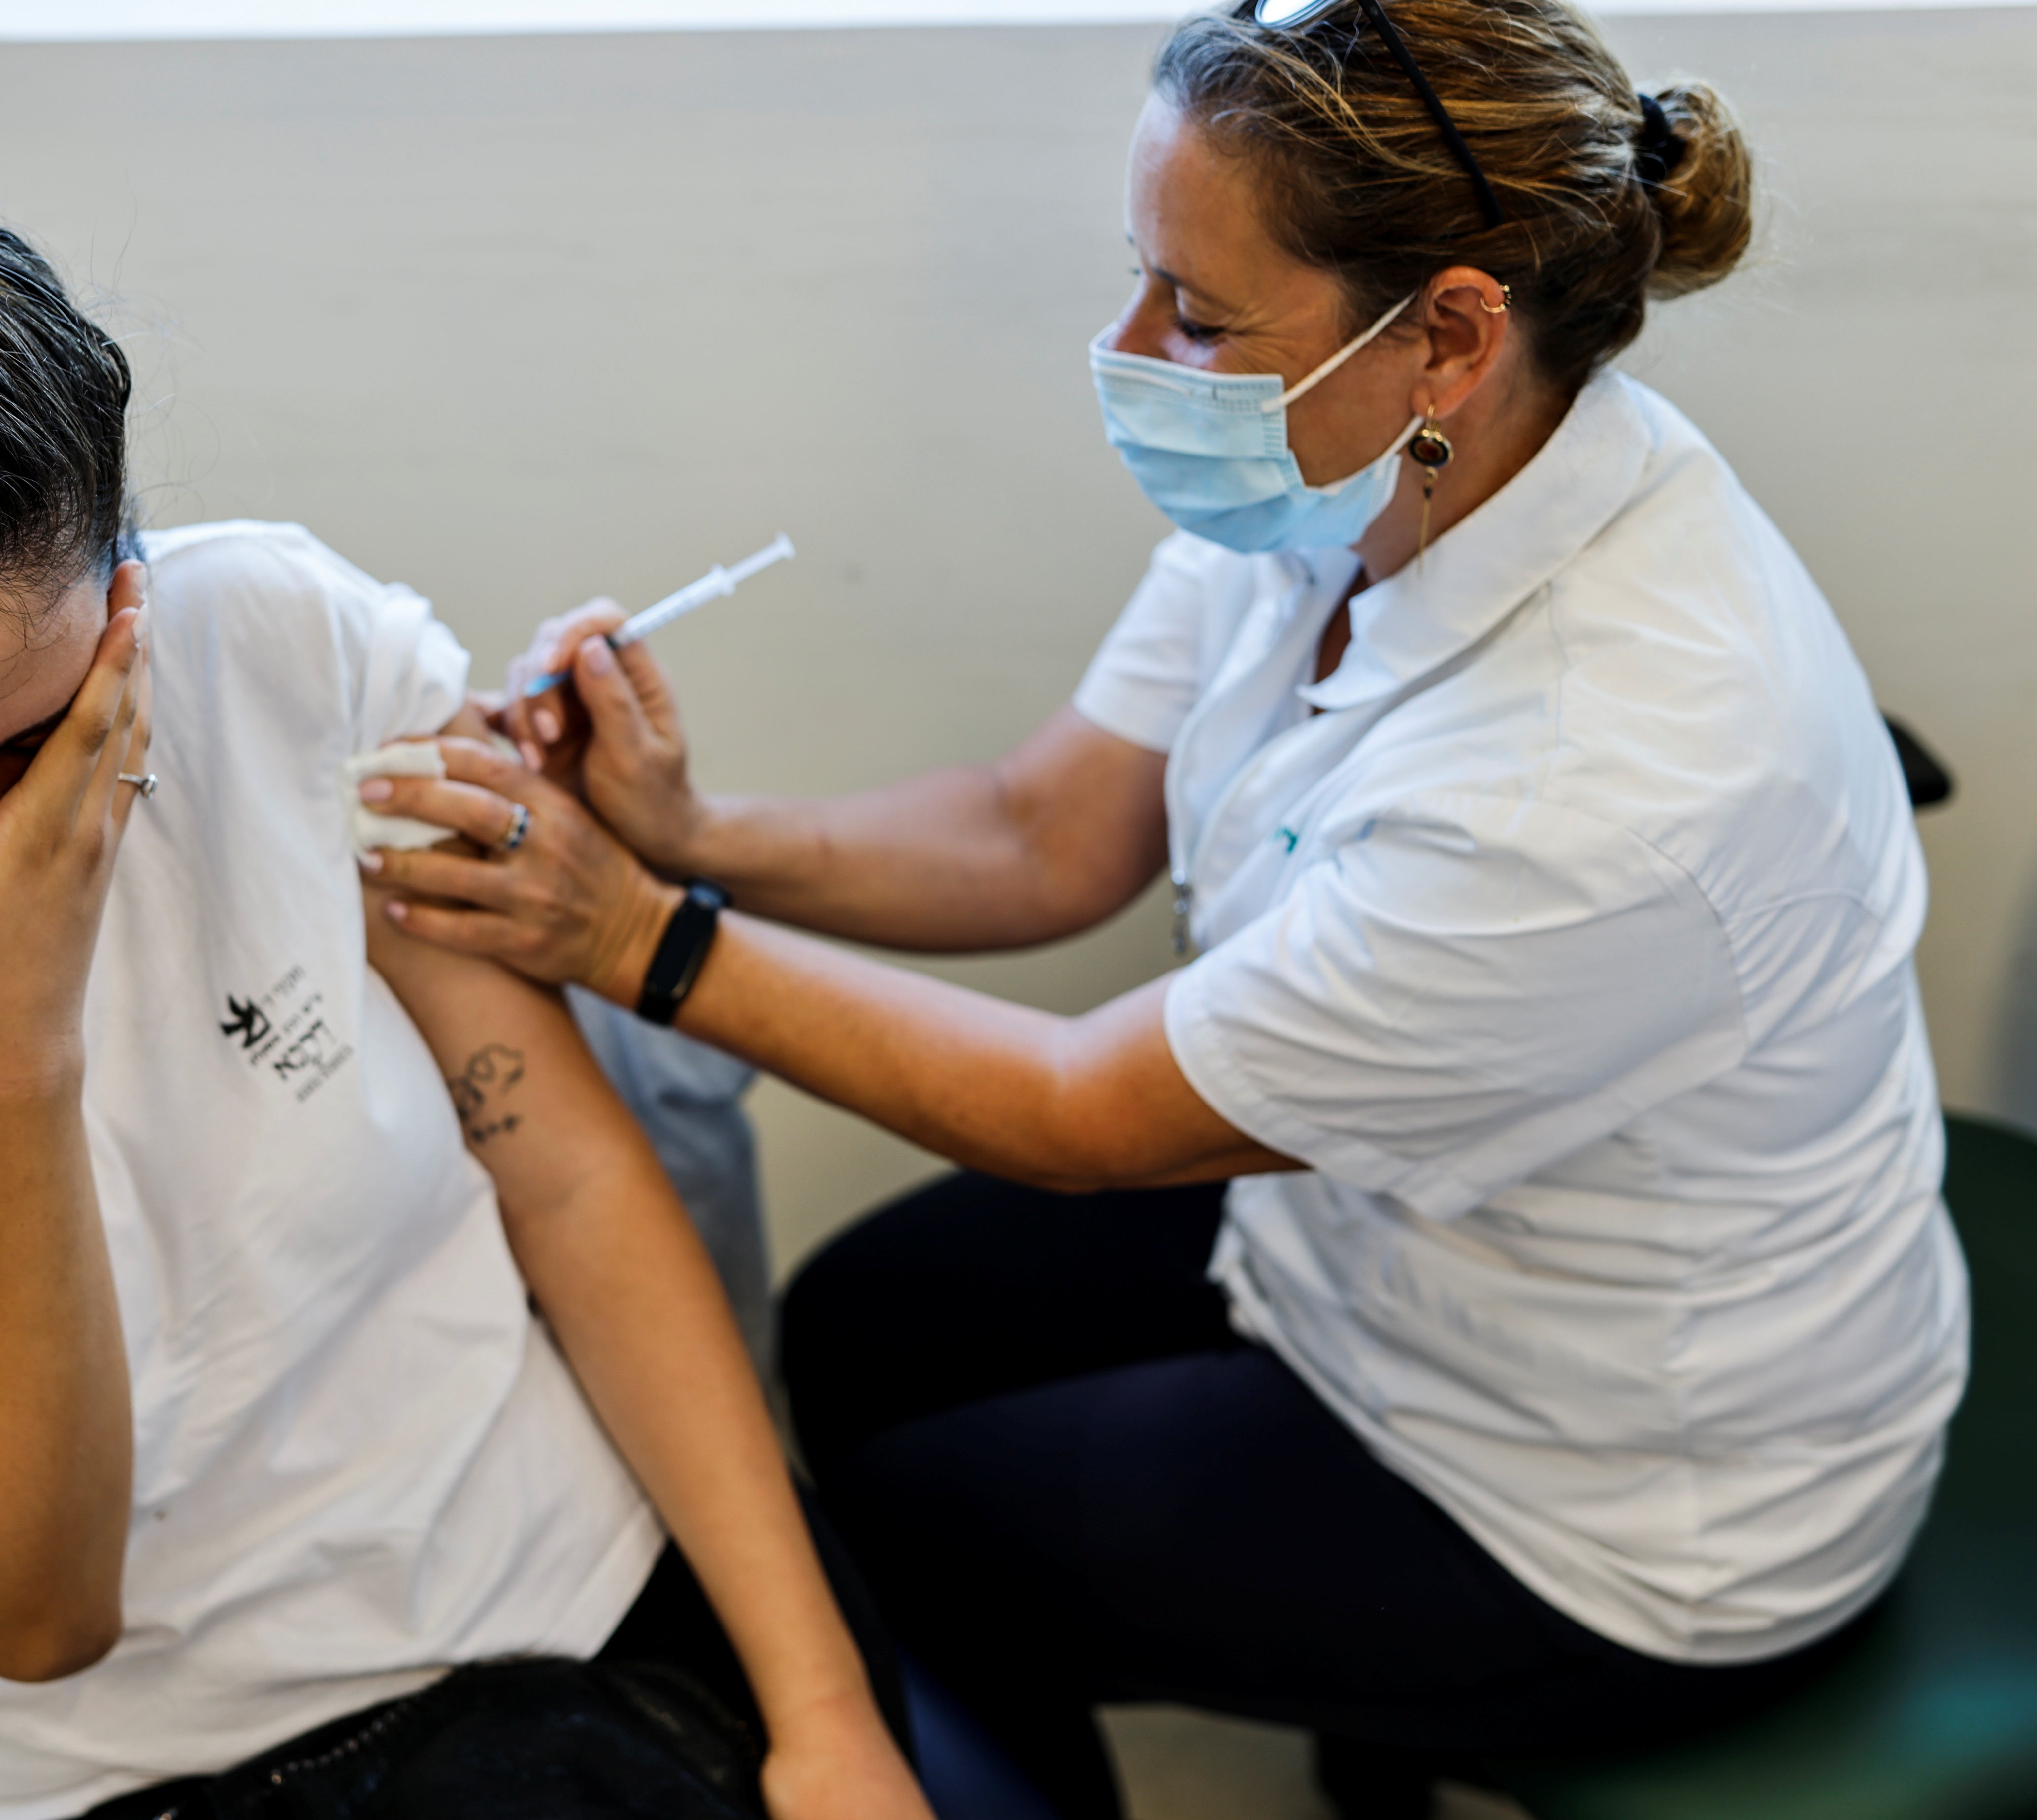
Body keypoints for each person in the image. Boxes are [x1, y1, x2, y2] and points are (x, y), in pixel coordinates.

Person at [354, 0, 1971, 1814]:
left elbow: (1084, 1118)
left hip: (1619, 1499)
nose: (1132, 350)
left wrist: (629, 937)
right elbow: (1044, 829)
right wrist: (691, 835)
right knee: (853, 1328)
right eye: (1144, 281)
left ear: (1446, 331)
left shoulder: (1596, 781)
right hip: (1384, 1246)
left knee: (911, 1533)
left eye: (1198, 317)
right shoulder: (1364, 476)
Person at [0, 5, 930, 1819]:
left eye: (50, 731)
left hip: (570, 1591)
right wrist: (12, 1063)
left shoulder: (277, 644)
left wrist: (823, 1707)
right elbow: (34, 1611)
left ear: (129, 585)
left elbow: (562, 1175)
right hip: (138, 1765)